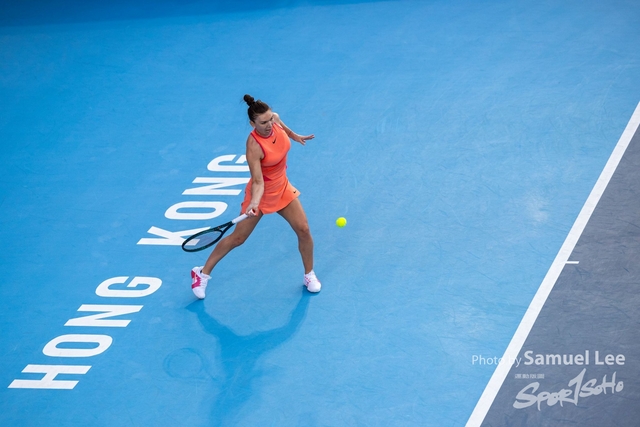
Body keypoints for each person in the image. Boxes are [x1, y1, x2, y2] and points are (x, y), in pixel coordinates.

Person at [190, 95, 321, 299]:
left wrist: (294, 136)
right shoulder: (254, 146)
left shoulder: (274, 119)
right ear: (253, 124)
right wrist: (254, 203)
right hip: (261, 193)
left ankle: (309, 275)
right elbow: (258, 182)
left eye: (270, 120)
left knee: (303, 230)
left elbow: (282, 128)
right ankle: (202, 273)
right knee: (238, 239)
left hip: (282, 187)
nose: (269, 125)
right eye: (263, 123)